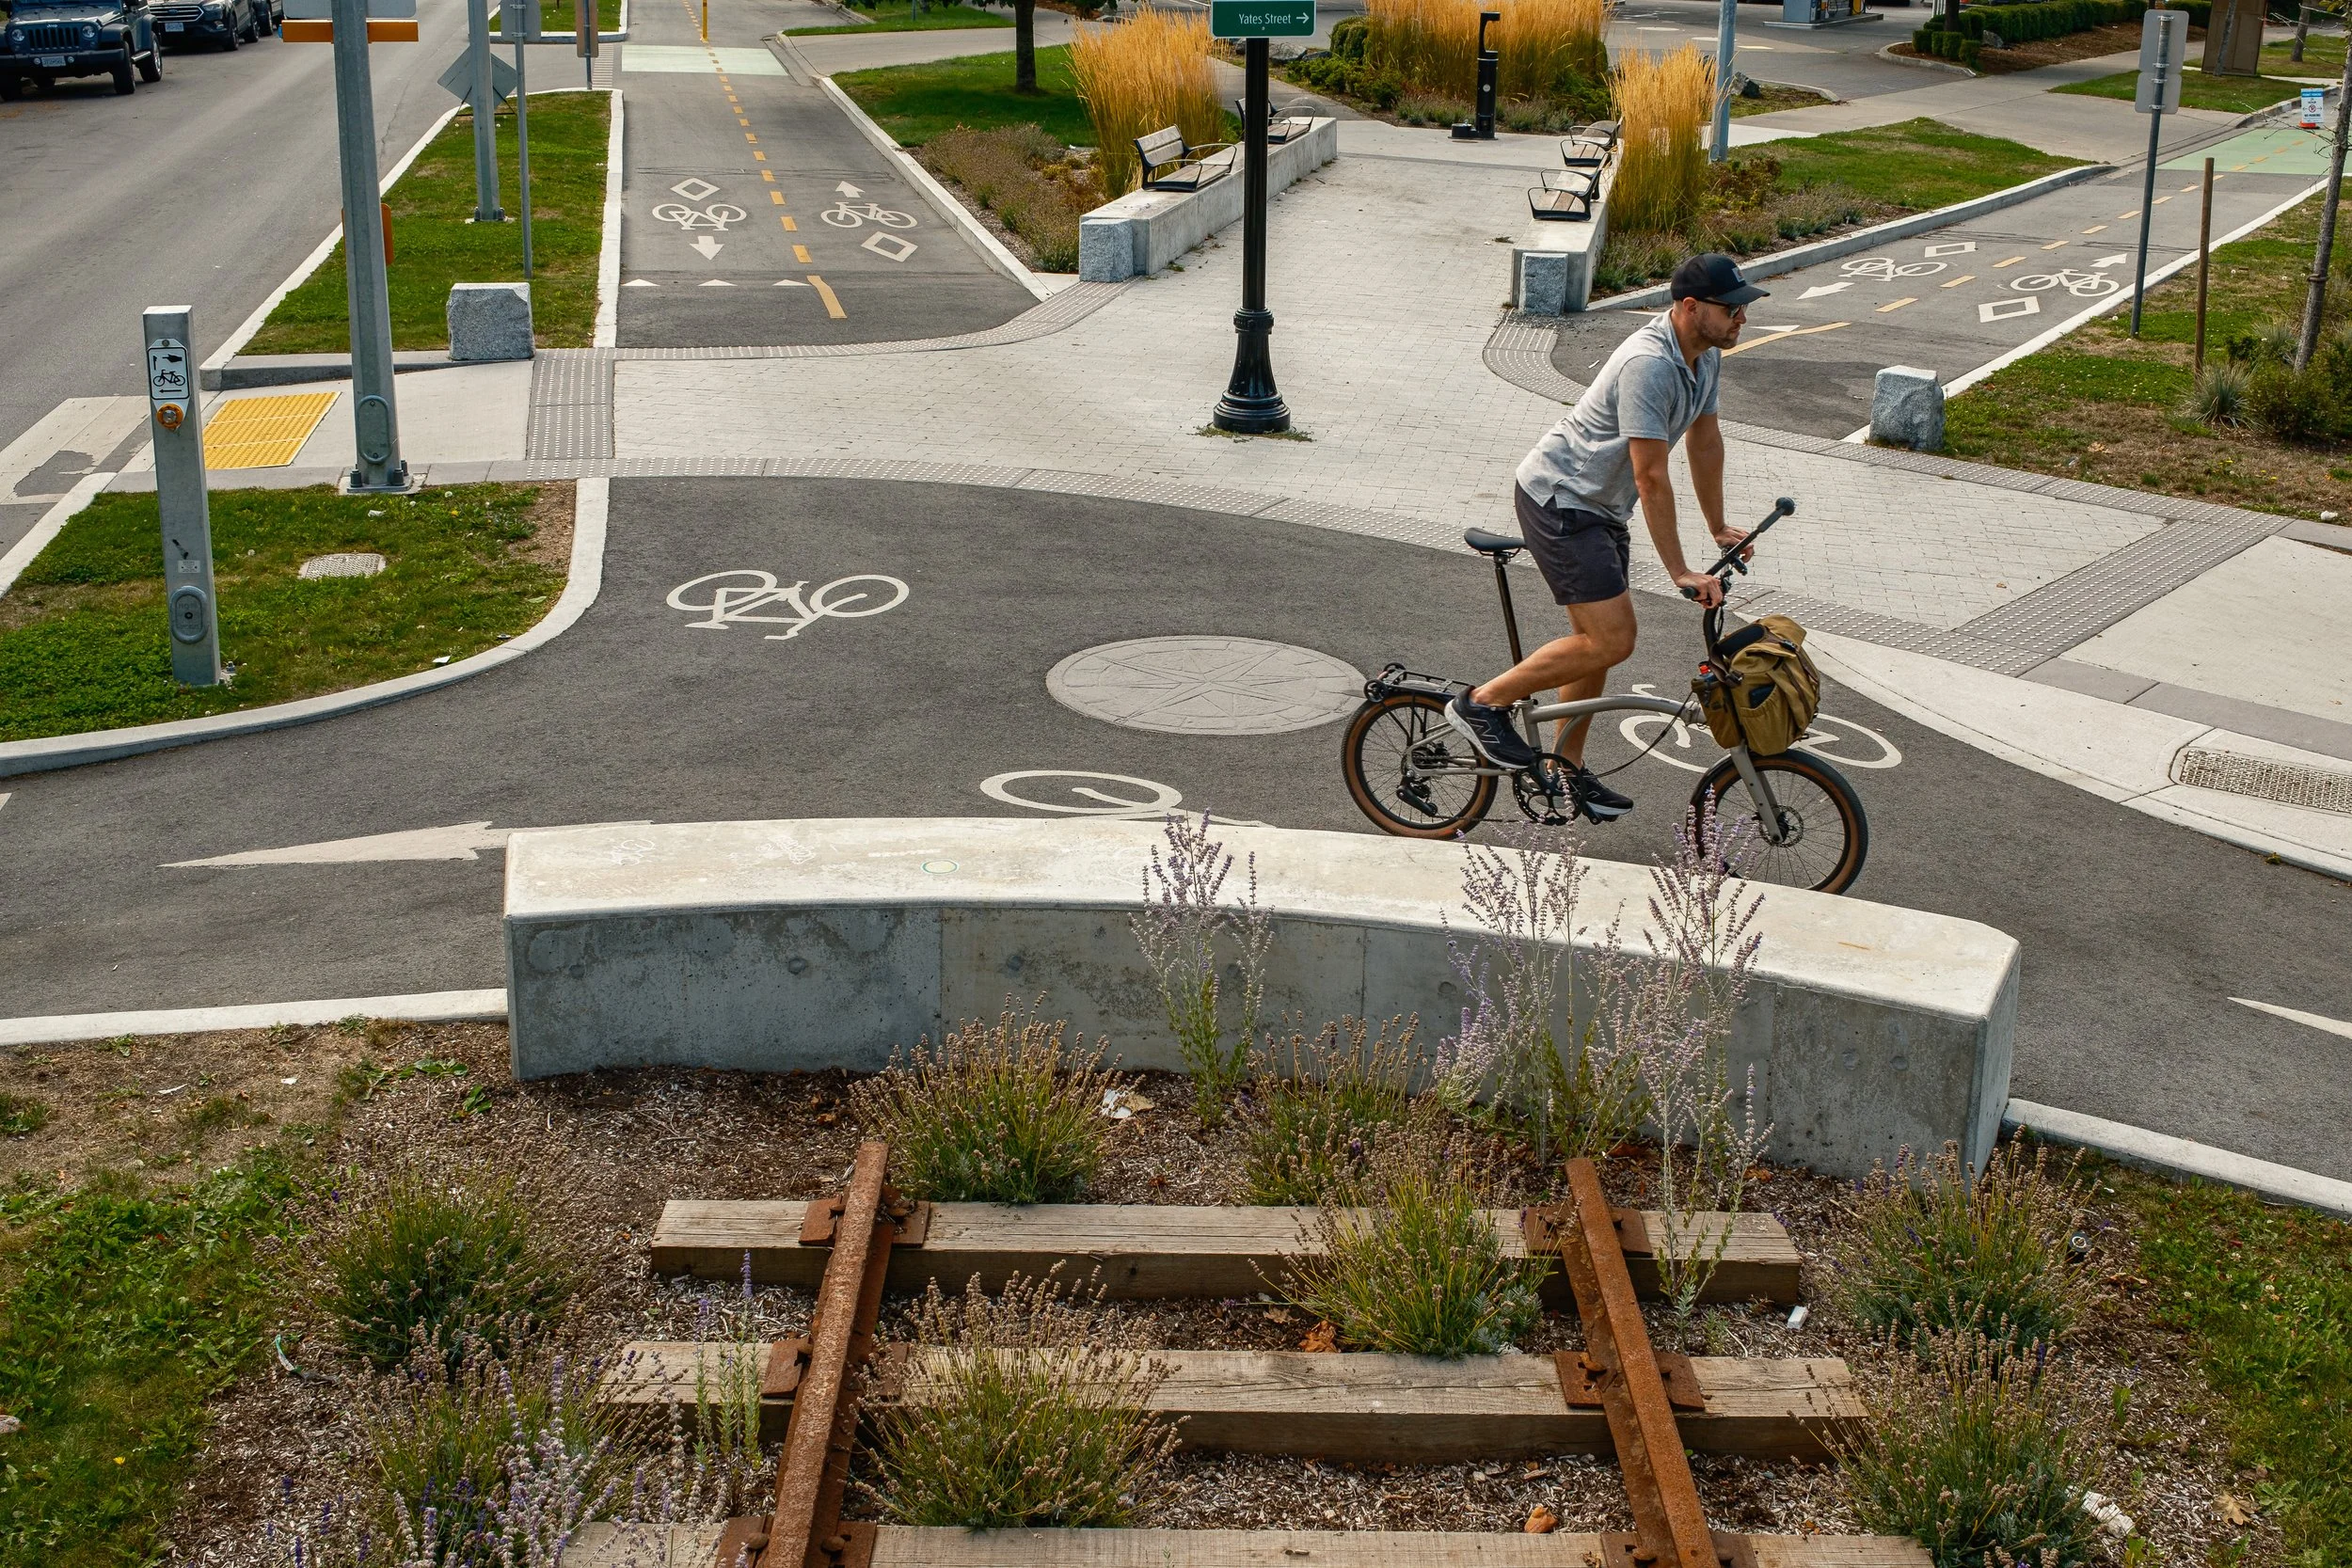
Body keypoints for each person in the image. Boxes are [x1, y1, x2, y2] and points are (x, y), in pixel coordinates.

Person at [1445, 251, 1763, 821]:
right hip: (1562, 499)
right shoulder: (1652, 365)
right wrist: (1680, 572)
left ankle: (1563, 773)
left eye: (1743, 309)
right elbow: (1650, 474)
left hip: (1601, 507)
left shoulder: (1703, 356)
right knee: (1613, 638)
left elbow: (1704, 443)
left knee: (1594, 647)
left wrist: (1717, 527)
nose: (1742, 319)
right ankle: (1482, 704)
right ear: (1691, 308)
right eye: (1732, 309)